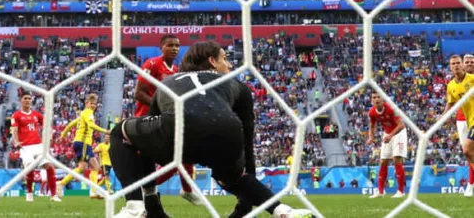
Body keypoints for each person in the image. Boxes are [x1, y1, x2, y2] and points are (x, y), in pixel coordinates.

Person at [110, 41, 313, 218]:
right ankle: (282, 211)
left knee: (122, 133)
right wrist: (245, 203)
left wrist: (151, 188)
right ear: (212, 62)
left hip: (177, 130)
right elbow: (247, 140)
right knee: (231, 178)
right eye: (225, 59)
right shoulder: (237, 85)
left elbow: (148, 135)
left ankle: (136, 206)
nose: (229, 64)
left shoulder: (167, 82)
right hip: (226, 133)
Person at [134, 35, 202, 206]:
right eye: (170, 45)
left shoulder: (176, 71)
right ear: (161, 47)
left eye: (177, 46)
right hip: (147, 119)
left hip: (165, 119)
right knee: (174, 158)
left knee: (184, 153)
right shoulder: (151, 64)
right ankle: (144, 189)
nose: (174, 48)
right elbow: (139, 93)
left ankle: (186, 190)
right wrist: (161, 107)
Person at [57, 93, 110, 198]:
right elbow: (91, 125)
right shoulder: (88, 113)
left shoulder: (83, 115)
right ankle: (61, 184)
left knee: (93, 166)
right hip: (83, 143)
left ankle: (93, 191)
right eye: (91, 103)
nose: (93, 105)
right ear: (86, 104)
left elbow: (71, 124)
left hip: (82, 143)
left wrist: (62, 135)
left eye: (95, 104)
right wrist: (106, 131)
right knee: (85, 167)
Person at [10, 91, 60, 202]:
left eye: (29, 98)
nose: (28, 100)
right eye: (25, 98)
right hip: (25, 147)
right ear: (21, 101)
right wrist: (16, 142)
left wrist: (50, 137)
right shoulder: (16, 115)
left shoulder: (37, 115)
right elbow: (14, 130)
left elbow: (47, 126)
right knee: (30, 168)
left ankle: (53, 195)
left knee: (50, 167)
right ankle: (29, 193)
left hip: (38, 145)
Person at [444, 54, 474, 196]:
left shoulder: (472, 79)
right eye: (453, 64)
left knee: (467, 150)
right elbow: (450, 103)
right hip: (466, 121)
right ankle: (471, 183)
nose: (456, 65)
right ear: (450, 66)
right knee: (468, 153)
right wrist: (442, 118)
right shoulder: (451, 86)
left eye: (458, 63)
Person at [367, 92, 407, 198]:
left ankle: (401, 191)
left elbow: (401, 125)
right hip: (388, 133)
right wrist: (371, 137)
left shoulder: (391, 108)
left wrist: (390, 136)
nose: (376, 99)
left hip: (399, 133)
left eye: (378, 97)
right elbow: (372, 125)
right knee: (383, 161)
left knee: (396, 159)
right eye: (374, 97)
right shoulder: (371, 112)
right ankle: (380, 191)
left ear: (382, 99)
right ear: (372, 100)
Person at [455, 54, 474, 197]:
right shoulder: (456, 81)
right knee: (468, 154)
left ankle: (471, 184)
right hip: (462, 119)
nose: (469, 64)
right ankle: (471, 184)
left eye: (472, 62)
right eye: (467, 62)